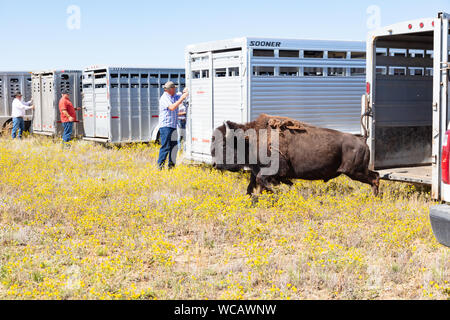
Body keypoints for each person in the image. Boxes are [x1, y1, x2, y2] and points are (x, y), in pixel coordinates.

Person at [157, 81, 189, 170]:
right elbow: (172, 107)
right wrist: (181, 98)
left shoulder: (174, 95)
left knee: (174, 147)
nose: (175, 90)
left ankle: (171, 167)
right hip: (166, 126)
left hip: (173, 126)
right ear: (170, 89)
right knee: (166, 147)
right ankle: (160, 166)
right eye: (174, 88)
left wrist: (186, 91)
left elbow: (183, 93)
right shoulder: (164, 98)